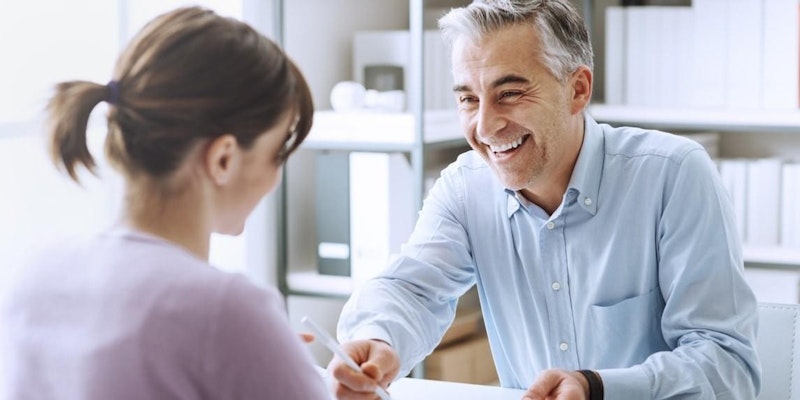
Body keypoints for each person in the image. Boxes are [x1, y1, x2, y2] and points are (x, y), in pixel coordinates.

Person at [332, 1, 761, 399]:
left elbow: (727, 365)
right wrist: (379, 339)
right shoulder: (465, 188)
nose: (484, 126)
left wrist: (598, 387)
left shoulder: (673, 174)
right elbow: (410, 290)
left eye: (510, 94)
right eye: (468, 99)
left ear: (577, 89)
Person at [0, 6, 329, 400]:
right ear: (223, 159)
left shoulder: (35, 275)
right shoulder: (227, 310)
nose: (276, 177)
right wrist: (255, 342)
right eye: (277, 153)